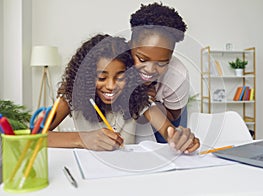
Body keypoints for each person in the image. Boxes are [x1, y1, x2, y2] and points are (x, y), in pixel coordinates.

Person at [48, 33, 199, 154]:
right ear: (86, 77)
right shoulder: (71, 97)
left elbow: (168, 131)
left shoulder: (138, 98)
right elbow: (32, 137)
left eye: (120, 77)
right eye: (101, 77)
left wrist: (180, 137)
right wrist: (81, 139)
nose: (111, 86)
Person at [129, 2, 190, 143]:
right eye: (142, 59)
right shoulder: (117, 62)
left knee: (171, 148)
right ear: (130, 44)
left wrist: (153, 102)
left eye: (162, 63)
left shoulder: (178, 76)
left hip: (165, 110)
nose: (150, 70)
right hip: (139, 111)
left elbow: (173, 117)